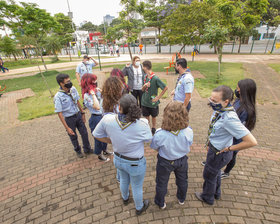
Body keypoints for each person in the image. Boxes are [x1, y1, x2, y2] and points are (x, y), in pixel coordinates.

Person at [195, 85, 257, 205]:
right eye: (210, 99)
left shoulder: (229, 118)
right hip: (216, 149)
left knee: (208, 175)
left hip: (219, 153)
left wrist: (230, 148)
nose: (211, 102)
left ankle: (207, 197)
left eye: (214, 100)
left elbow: (251, 141)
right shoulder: (221, 109)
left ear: (226, 101)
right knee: (216, 172)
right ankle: (216, 193)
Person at [93, 94, 152, 215]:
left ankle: (125, 199)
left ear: (119, 107)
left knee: (124, 180)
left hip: (118, 159)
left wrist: (110, 141)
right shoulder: (143, 123)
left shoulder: (107, 119)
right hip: (136, 163)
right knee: (136, 186)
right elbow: (148, 139)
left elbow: (96, 134)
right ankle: (139, 207)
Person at [150, 101, 193, 209]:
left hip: (165, 161)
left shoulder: (160, 134)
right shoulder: (188, 131)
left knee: (161, 183)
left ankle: (160, 202)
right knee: (183, 180)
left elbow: (155, 147)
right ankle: (181, 199)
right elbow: (190, 143)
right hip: (182, 160)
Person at [221, 79, 257, 179]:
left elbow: (239, 127)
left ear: (244, 91)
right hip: (230, 135)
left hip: (236, 138)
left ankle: (226, 172)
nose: (236, 90)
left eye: (238, 88)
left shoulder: (246, 110)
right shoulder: (238, 101)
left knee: (232, 155)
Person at [54, 73, 93, 158]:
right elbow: (59, 113)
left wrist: (82, 113)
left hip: (78, 115)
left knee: (84, 133)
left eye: (69, 80)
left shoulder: (73, 89)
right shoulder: (58, 97)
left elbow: (77, 101)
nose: (70, 82)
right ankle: (78, 150)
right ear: (61, 83)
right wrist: (67, 128)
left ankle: (87, 148)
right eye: (67, 81)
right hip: (69, 119)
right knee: (73, 136)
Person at [81, 73, 113, 162]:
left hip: (103, 116)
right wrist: (93, 95)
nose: (95, 82)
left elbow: (106, 98)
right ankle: (99, 154)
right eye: (93, 81)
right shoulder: (87, 96)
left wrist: (101, 91)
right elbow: (97, 107)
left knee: (105, 135)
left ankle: (105, 150)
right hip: (96, 118)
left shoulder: (96, 91)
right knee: (99, 137)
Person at [141, 60, 168, 135]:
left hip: (152, 102)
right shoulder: (144, 76)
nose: (142, 68)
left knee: (154, 116)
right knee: (146, 116)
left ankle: (153, 128)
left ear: (145, 67)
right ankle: (147, 128)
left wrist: (158, 98)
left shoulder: (155, 78)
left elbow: (165, 87)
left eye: (143, 66)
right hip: (144, 101)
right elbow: (142, 90)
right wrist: (144, 86)